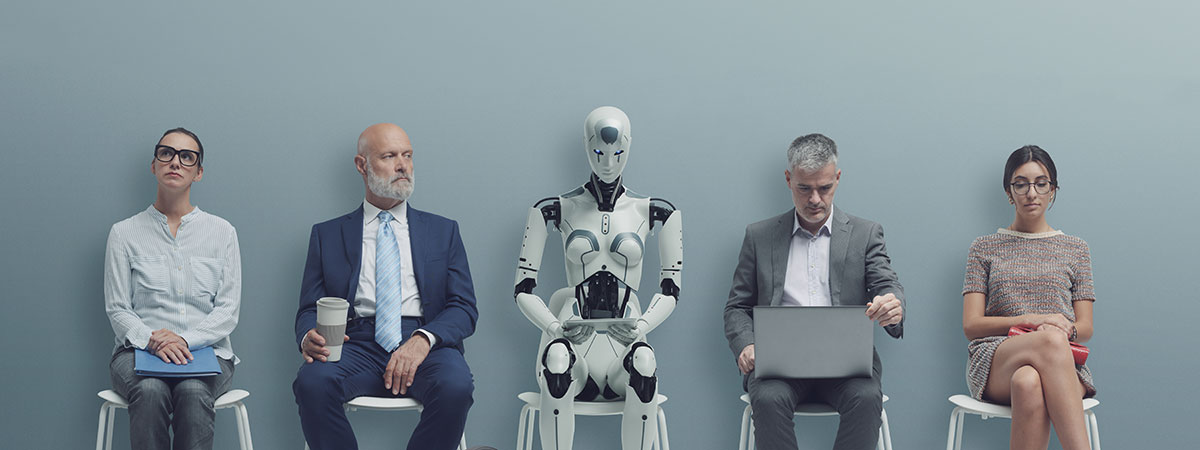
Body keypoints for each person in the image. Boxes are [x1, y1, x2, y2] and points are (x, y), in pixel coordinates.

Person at [293, 123, 478, 450]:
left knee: (456, 385)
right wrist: (309, 335)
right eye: (389, 156)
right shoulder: (327, 234)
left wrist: (423, 340)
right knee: (312, 383)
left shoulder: (443, 231)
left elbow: (464, 308)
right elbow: (310, 307)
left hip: (424, 341)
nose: (403, 165)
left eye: (407, 155)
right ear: (362, 165)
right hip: (355, 343)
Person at [512, 106, 683, 450]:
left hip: (626, 342)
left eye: (617, 153)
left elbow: (671, 288)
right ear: (586, 146)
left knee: (646, 362)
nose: (607, 163)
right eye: (599, 152)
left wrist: (643, 325)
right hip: (574, 342)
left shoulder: (656, 211)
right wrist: (555, 328)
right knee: (557, 358)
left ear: (629, 146)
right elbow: (523, 288)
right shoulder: (554, 209)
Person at [723, 133, 904, 450]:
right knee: (766, 399)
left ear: (837, 178)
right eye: (804, 188)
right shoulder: (759, 236)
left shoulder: (865, 234)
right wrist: (746, 344)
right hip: (778, 366)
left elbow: (886, 283)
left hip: (848, 367)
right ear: (788, 179)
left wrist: (891, 305)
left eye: (825, 188)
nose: (815, 199)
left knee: (866, 397)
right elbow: (737, 307)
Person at [105, 127, 242, 450]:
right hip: (137, 351)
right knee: (150, 391)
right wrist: (151, 340)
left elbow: (227, 309)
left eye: (187, 157)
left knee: (193, 392)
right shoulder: (124, 233)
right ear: (154, 165)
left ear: (199, 172)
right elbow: (118, 308)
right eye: (166, 153)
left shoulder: (222, 232)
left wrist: (183, 339)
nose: (175, 162)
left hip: (207, 352)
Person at [961, 145, 1096, 450]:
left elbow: (1085, 326)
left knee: (1028, 382)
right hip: (996, 359)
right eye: (1020, 184)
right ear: (1009, 192)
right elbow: (971, 325)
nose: (1031, 192)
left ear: (1053, 190)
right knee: (1046, 343)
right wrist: (1031, 321)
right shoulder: (984, 248)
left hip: (1061, 361)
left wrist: (1064, 328)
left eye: (1041, 183)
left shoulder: (1076, 249)